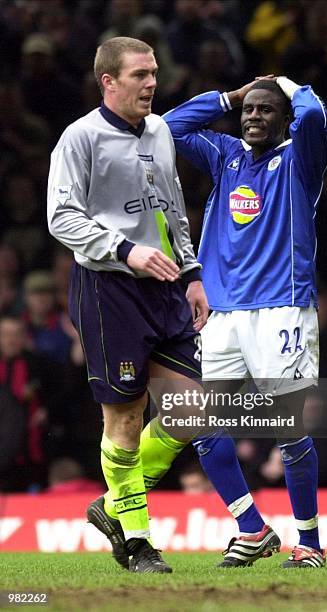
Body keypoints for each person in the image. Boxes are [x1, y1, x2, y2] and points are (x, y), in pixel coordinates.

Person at [47, 37, 280, 574]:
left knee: (195, 407)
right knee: (126, 417)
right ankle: (136, 541)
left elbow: (171, 208)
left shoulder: (156, 132)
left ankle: (112, 504)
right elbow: (62, 218)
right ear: (109, 81)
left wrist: (193, 273)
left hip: (167, 285)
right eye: (139, 75)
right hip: (110, 289)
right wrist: (126, 251)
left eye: (153, 73)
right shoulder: (79, 138)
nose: (151, 83)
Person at [164, 74, 327, 568]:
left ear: (284, 120)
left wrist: (287, 84)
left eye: (265, 110)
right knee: (200, 423)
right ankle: (252, 528)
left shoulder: (301, 162)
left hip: (281, 306)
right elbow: (171, 128)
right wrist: (229, 97)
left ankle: (309, 542)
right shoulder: (226, 157)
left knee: (288, 427)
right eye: (248, 112)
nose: (254, 117)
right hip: (222, 313)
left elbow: (315, 116)